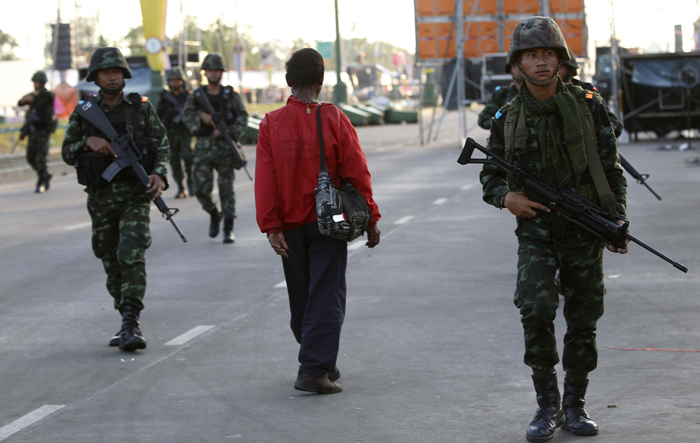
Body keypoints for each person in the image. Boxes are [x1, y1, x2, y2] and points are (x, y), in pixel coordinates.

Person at [479, 17, 628, 442]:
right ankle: (547, 405)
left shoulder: (587, 104)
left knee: (584, 315)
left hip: (584, 226)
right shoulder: (507, 116)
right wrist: (508, 198)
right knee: (535, 307)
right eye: (532, 55)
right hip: (537, 227)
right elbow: (490, 176)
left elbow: (611, 169)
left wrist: (616, 219)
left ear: (560, 60)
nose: (541, 62)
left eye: (548, 54)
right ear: (519, 64)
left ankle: (575, 405)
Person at [255, 48, 381, 394]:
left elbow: (265, 179)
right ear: (321, 82)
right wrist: (371, 217)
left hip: (290, 224)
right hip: (330, 220)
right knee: (327, 293)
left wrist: (271, 225)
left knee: (303, 296)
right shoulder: (334, 118)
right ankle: (313, 368)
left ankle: (318, 356)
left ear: (287, 82)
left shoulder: (270, 123)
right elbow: (357, 173)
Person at [61, 47, 169, 352]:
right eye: (106, 72)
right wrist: (87, 143)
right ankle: (123, 315)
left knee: (130, 253)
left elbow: (161, 143)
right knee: (108, 256)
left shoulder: (141, 108)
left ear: (124, 75)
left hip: (135, 196)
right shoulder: (84, 111)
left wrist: (159, 174)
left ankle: (131, 320)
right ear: (96, 77)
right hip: (101, 198)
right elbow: (67, 152)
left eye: (117, 71)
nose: (112, 76)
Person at [182, 53, 248, 244]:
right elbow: (187, 116)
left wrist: (228, 131)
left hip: (225, 148)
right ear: (205, 72)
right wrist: (201, 118)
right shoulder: (197, 96)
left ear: (221, 72)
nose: (213, 73)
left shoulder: (230, 95)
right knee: (201, 189)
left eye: (217, 70)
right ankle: (213, 213)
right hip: (203, 147)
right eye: (210, 70)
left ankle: (228, 228)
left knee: (226, 189)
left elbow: (242, 117)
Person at [558, 48, 623, 137]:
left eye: (559, 68)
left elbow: (615, 126)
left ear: (570, 69)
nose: (553, 73)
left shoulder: (586, 92)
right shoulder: (542, 93)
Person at [157, 67, 193, 199]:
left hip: (184, 132)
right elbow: (158, 116)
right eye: (172, 80)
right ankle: (181, 187)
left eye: (177, 80)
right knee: (175, 161)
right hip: (170, 133)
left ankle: (191, 181)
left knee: (188, 157)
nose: (175, 83)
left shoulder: (187, 97)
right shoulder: (165, 98)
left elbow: (195, 113)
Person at [18, 71, 56, 193]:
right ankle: (45, 175)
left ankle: (42, 181)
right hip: (33, 131)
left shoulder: (47, 95)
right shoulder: (33, 95)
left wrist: (33, 96)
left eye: (38, 82)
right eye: (35, 82)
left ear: (43, 83)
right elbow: (20, 102)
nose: (36, 84)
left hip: (43, 131)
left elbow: (46, 96)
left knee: (41, 158)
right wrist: (28, 98)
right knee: (30, 157)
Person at [477, 63, 524, 130]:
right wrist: (502, 123)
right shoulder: (502, 93)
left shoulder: (538, 93)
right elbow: (483, 119)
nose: (518, 70)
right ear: (510, 70)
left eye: (521, 66)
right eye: (514, 67)